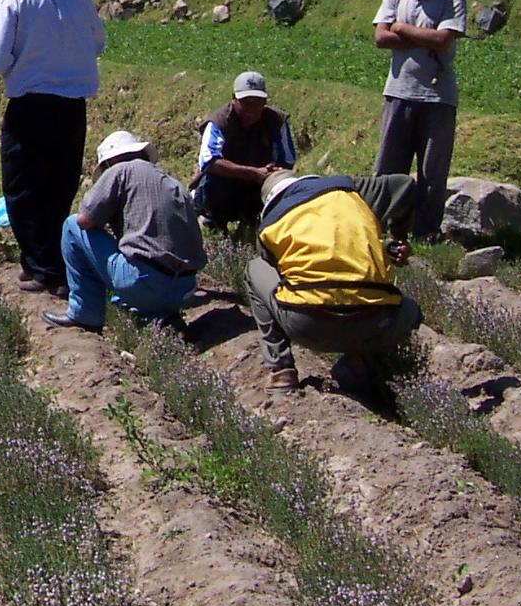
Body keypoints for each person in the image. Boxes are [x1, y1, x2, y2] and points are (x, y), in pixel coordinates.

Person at [0, 0, 105, 296]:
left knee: (23, 188)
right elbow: (98, 43)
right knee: (60, 184)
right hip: (72, 107)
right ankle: (56, 264)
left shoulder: (13, 0)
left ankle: (41, 267)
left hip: (30, 107)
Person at [245, 170, 422, 392]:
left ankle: (282, 373)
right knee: (410, 309)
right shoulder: (346, 189)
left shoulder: (270, 225)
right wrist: (397, 239)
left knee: (255, 268)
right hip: (377, 324)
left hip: (308, 325)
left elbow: (296, 268)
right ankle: (363, 363)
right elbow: (404, 184)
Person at [43, 130, 205, 333]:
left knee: (71, 225)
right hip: (185, 288)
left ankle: (85, 314)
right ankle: (160, 316)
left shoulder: (120, 170)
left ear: (112, 161)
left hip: (144, 283)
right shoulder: (172, 182)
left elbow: (85, 220)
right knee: (138, 266)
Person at [372, 0, 467, 243]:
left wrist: (401, 28)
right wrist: (422, 35)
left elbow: (443, 41)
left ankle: (425, 232)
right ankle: (381, 227)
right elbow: (381, 38)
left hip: (438, 96)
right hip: (399, 91)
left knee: (432, 171)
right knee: (388, 166)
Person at [190, 71, 297, 232]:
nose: (251, 108)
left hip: (261, 183)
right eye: (245, 101)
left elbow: (287, 160)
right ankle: (212, 221)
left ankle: (263, 225)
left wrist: (271, 171)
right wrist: (254, 173)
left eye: (257, 102)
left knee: (285, 183)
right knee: (213, 186)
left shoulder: (276, 120)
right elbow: (209, 162)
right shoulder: (219, 121)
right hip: (225, 183)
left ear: (265, 101)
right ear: (234, 99)